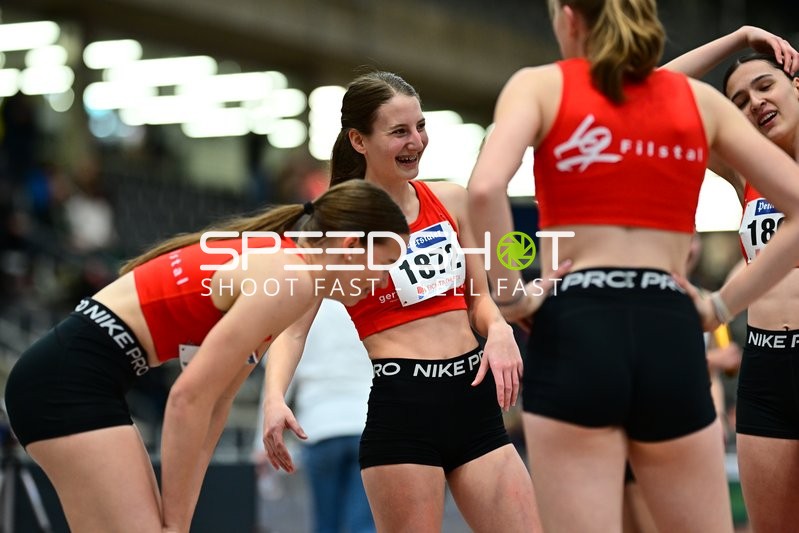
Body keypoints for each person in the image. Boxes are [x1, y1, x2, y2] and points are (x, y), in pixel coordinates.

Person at [467, 1, 799, 531]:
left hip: (576, 319)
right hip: (667, 321)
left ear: (569, 17)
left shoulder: (538, 86)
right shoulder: (695, 103)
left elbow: (484, 190)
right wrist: (719, 305)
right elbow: (658, 89)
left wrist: (512, 296)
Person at [3, 179, 409, 533]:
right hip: (67, 379)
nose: (382, 282)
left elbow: (217, 403)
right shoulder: (289, 278)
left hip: (76, 375)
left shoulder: (287, 269)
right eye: (386, 265)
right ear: (353, 245)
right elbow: (186, 398)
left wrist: (182, 518)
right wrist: (175, 524)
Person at [262, 71, 557, 532]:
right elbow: (293, 327)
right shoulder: (333, 229)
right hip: (404, 411)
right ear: (358, 140)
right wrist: (274, 397)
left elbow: (478, 299)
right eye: (399, 131)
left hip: (473, 400)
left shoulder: (451, 200)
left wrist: (500, 329)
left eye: (420, 126)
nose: (415, 141)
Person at [663, 26, 799, 533]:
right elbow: (654, 92)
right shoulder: (747, 171)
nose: (754, 103)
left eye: (765, 86)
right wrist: (739, 37)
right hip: (766, 367)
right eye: (739, 100)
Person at [257, 298, 376, 533]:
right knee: (363, 523)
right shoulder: (366, 305)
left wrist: (260, 442)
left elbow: (278, 381)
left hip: (318, 425)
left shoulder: (300, 308)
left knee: (325, 524)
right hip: (366, 422)